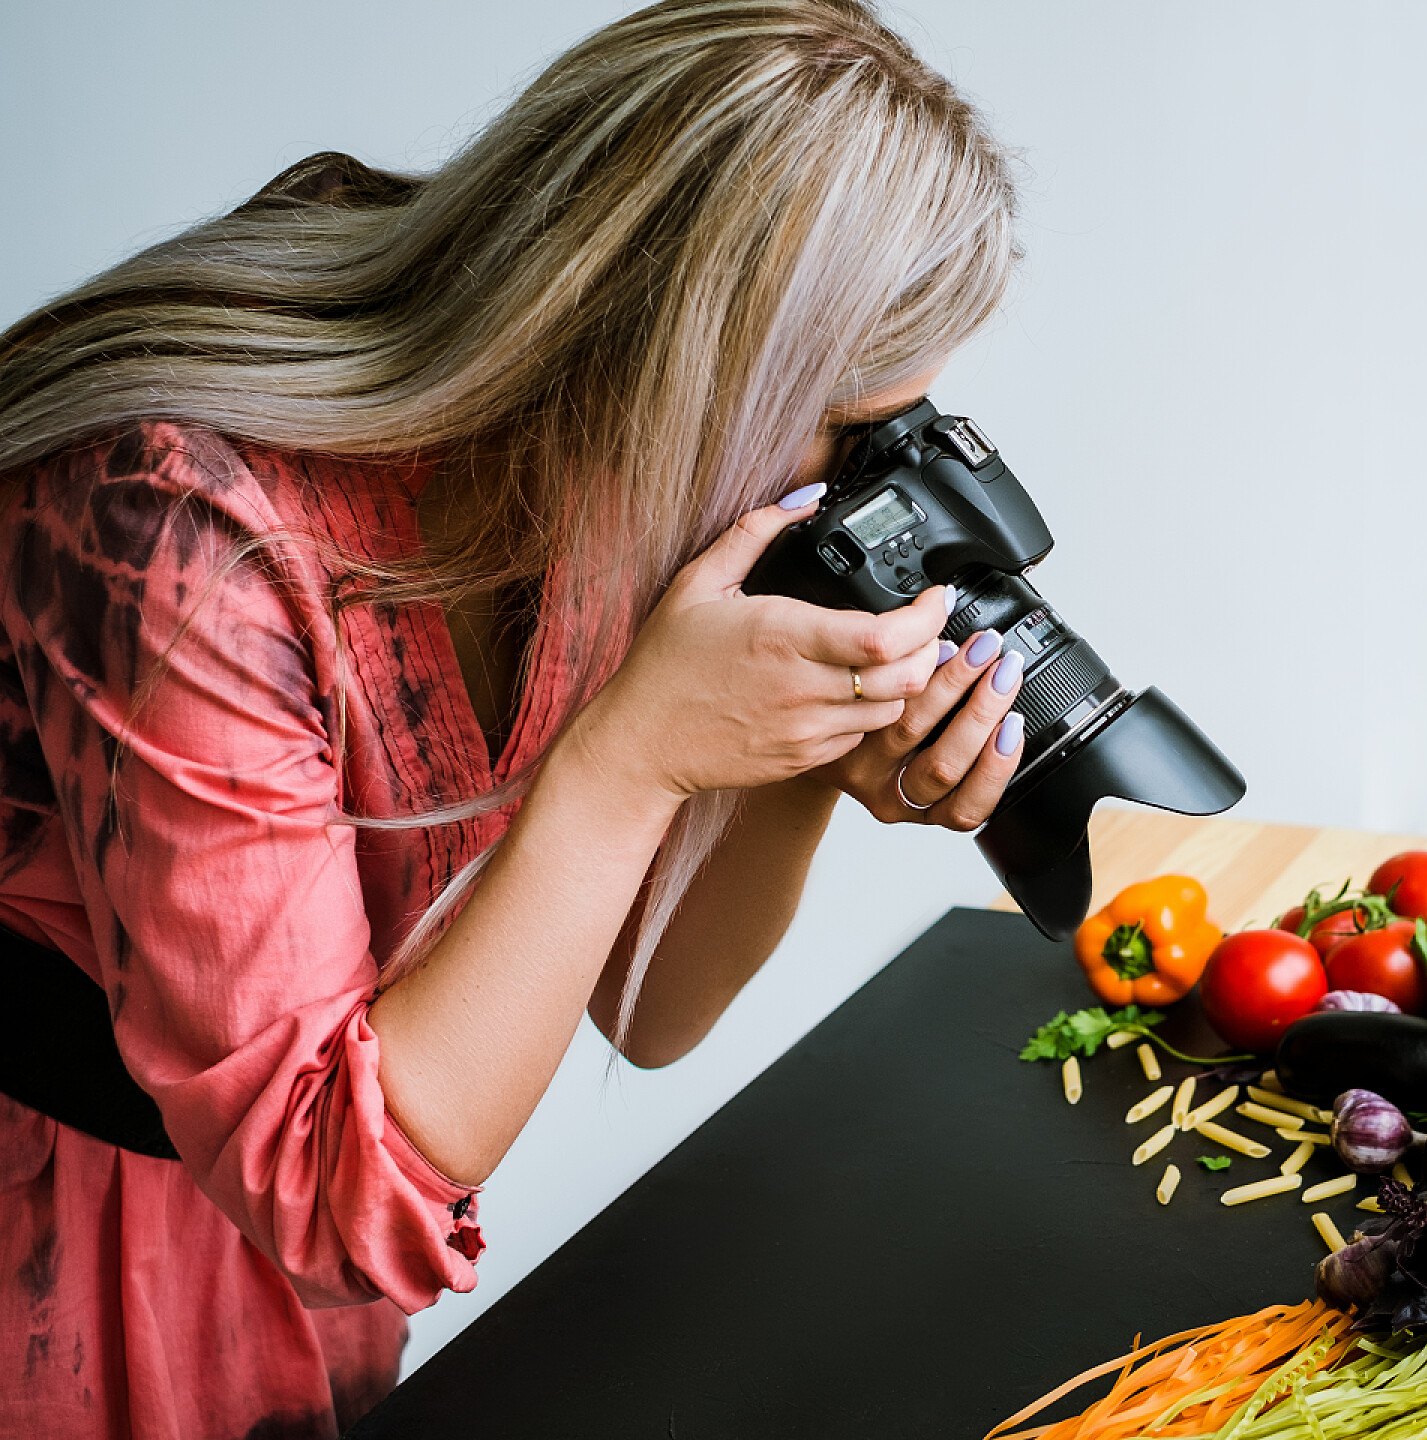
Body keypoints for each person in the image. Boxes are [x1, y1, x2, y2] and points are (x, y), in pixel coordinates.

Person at [0, 3, 1022, 1435]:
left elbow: (649, 1007)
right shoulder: (180, 520)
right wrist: (632, 760)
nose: (862, 492)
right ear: (674, 359)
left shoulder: (600, 478)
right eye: (849, 438)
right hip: (66, 1275)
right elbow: (334, 1196)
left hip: (288, 1304)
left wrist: (808, 749)